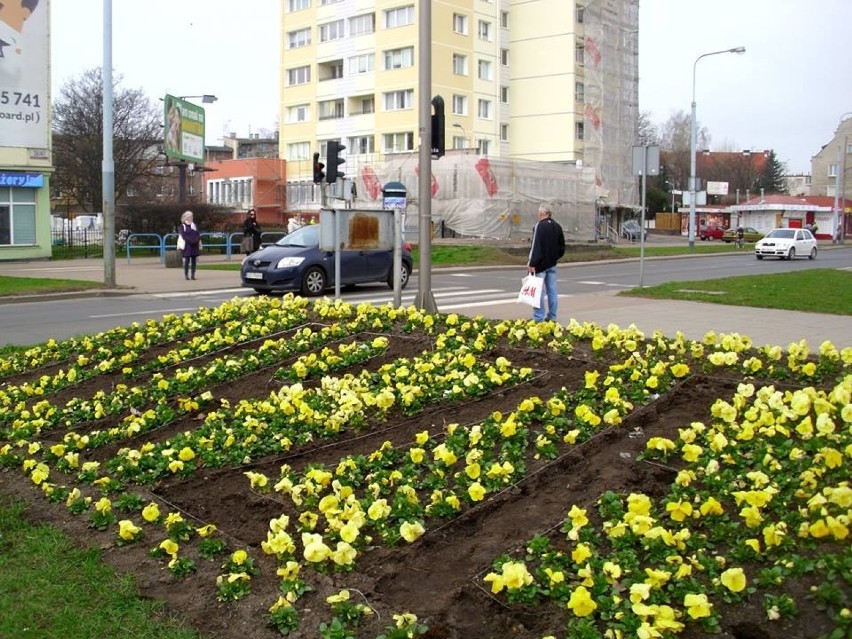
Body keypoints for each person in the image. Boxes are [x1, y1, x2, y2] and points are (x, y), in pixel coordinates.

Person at [527, 203, 565, 322]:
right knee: (552, 291)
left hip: (540, 265)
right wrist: (555, 258)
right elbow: (562, 246)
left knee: (538, 291)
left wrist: (532, 263)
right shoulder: (557, 226)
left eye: (539, 213)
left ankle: (539, 317)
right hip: (552, 264)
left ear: (542, 213)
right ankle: (552, 316)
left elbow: (535, 246)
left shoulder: (539, 226)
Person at [178, 210, 202, 280]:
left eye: (192, 217)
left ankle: (193, 274)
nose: (191, 218)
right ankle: (186, 275)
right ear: (186, 217)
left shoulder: (194, 225)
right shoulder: (183, 226)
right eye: (190, 217)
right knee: (187, 260)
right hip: (187, 245)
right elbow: (183, 235)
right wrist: (190, 241)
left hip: (194, 245)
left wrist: (196, 240)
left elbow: (198, 234)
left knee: (194, 260)